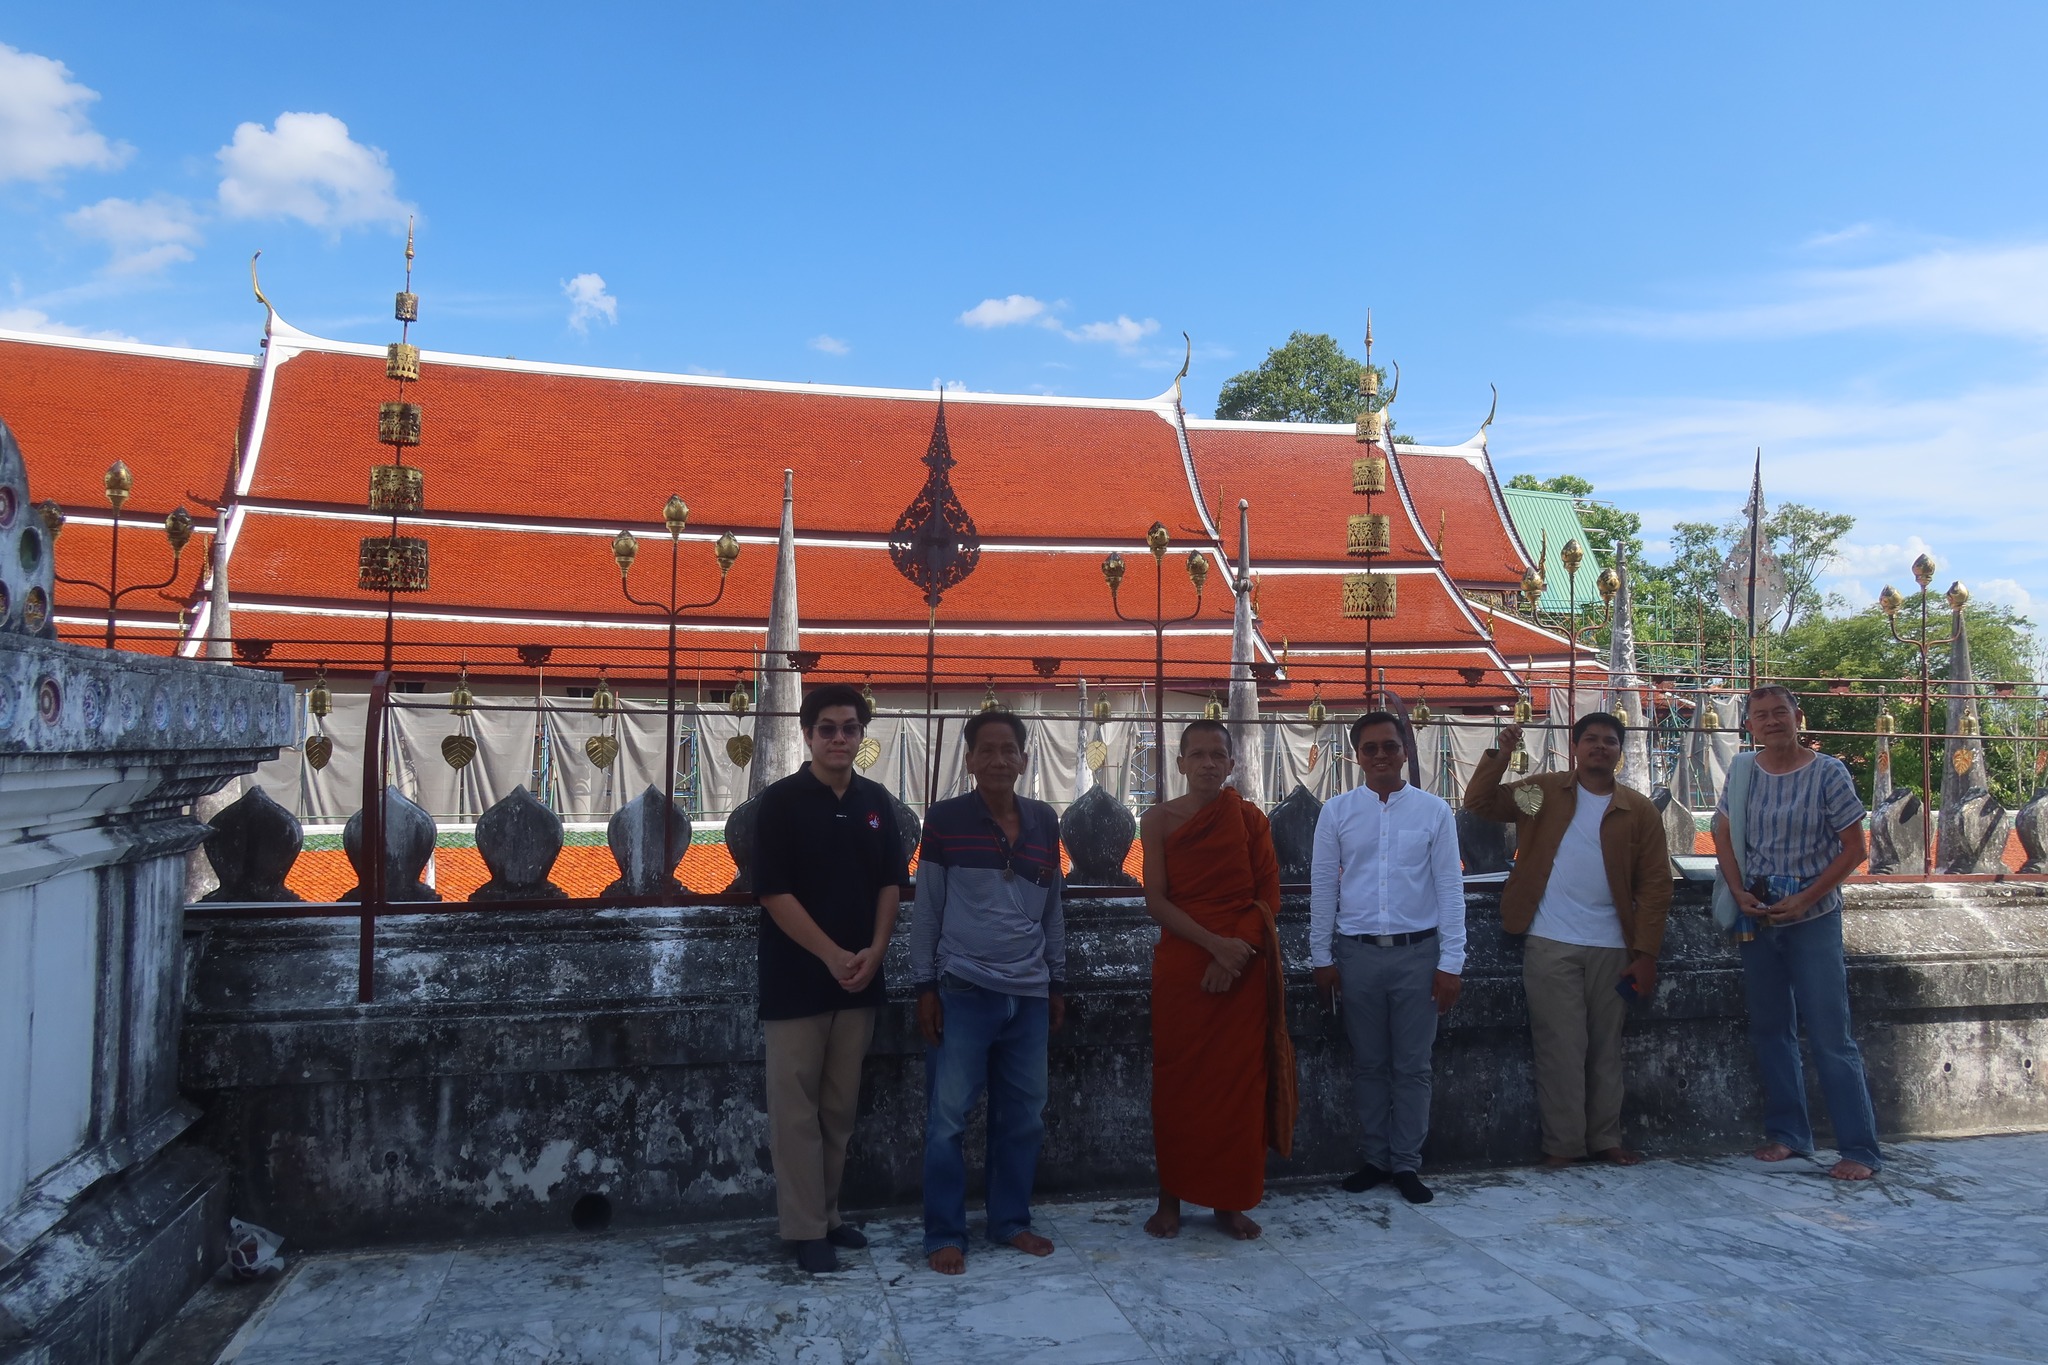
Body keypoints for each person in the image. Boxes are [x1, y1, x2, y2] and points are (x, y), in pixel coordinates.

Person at [1465, 712, 1671, 1167]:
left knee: (1606, 1049)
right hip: (1550, 938)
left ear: (1619, 751)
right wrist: (1501, 753)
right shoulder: (1543, 793)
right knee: (1560, 1046)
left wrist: (1646, 954)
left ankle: (1605, 1139)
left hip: (1614, 945)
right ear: (1574, 747)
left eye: (1610, 741)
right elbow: (1480, 802)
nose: (1600, 747)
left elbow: (1657, 885)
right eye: (1590, 739)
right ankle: (1563, 1145)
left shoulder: (1637, 810)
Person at [752, 683, 908, 1272]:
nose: (839, 738)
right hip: (797, 976)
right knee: (795, 1109)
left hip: (860, 975)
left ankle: (830, 1214)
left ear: (861, 735)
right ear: (808, 735)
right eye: (827, 728)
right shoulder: (781, 802)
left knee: (839, 1107)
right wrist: (830, 954)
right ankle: (804, 1227)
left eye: (849, 728)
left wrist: (875, 951)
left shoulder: (876, 801)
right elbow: (773, 892)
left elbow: (892, 882)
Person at [911, 710, 1066, 1275]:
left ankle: (1010, 1221)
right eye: (987, 750)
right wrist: (925, 986)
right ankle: (944, 1231)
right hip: (964, 987)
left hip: (1029, 992)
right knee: (948, 1119)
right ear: (971, 759)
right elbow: (927, 909)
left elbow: (1053, 909)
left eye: (1009, 750)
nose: (999, 760)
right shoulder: (945, 820)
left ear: (1024, 759)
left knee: (1024, 1116)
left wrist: (1057, 980)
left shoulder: (1045, 821)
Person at [1713, 683, 1880, 1181]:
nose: (1771, 721)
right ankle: (1789, 1133)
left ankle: (1859, 1149)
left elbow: (1855, 848)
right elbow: (1722, 831)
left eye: (1779, 712)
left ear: (1797, 716)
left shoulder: (1828, 772)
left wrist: (1807, 897)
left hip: (1813, 918)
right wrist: (1738, 890)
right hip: (1758, 915)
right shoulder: (1744, 770)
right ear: (1749, 725)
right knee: (1771, 1030)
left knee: (1831, 1035)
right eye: (1760, 715)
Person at [1139, 719, 1294, 1240]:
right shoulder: (1157, 820)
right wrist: (1214, 946)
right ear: (1180, 763)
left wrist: (1234, 954)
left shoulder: (1249, 820)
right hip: (1186, 967)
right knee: (1178, 1085)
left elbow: (1268, 895)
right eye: (1197, 754)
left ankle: (1230, 1201)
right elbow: (1156, 900)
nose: (1208, 763)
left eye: (1217, 755)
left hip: (1242, 967)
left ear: (1232, 763)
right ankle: (1170, 1199)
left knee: (1238, 1087)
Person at [1310, 710, 1465, 1205]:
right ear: (1357, 756)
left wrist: (1452, 963)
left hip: (1418, 954)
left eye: (1390, 746)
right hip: (1356, 955)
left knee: (1414, 1066)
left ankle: (1406, 1163)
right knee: (1370, 1063)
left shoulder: (1434, 812)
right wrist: (1320, 957)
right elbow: (1323, 888)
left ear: (1405, 751)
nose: (1381, 755)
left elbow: (1450, 888)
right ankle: (1376, 1157)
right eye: (1370, 748)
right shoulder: (1336, 812)